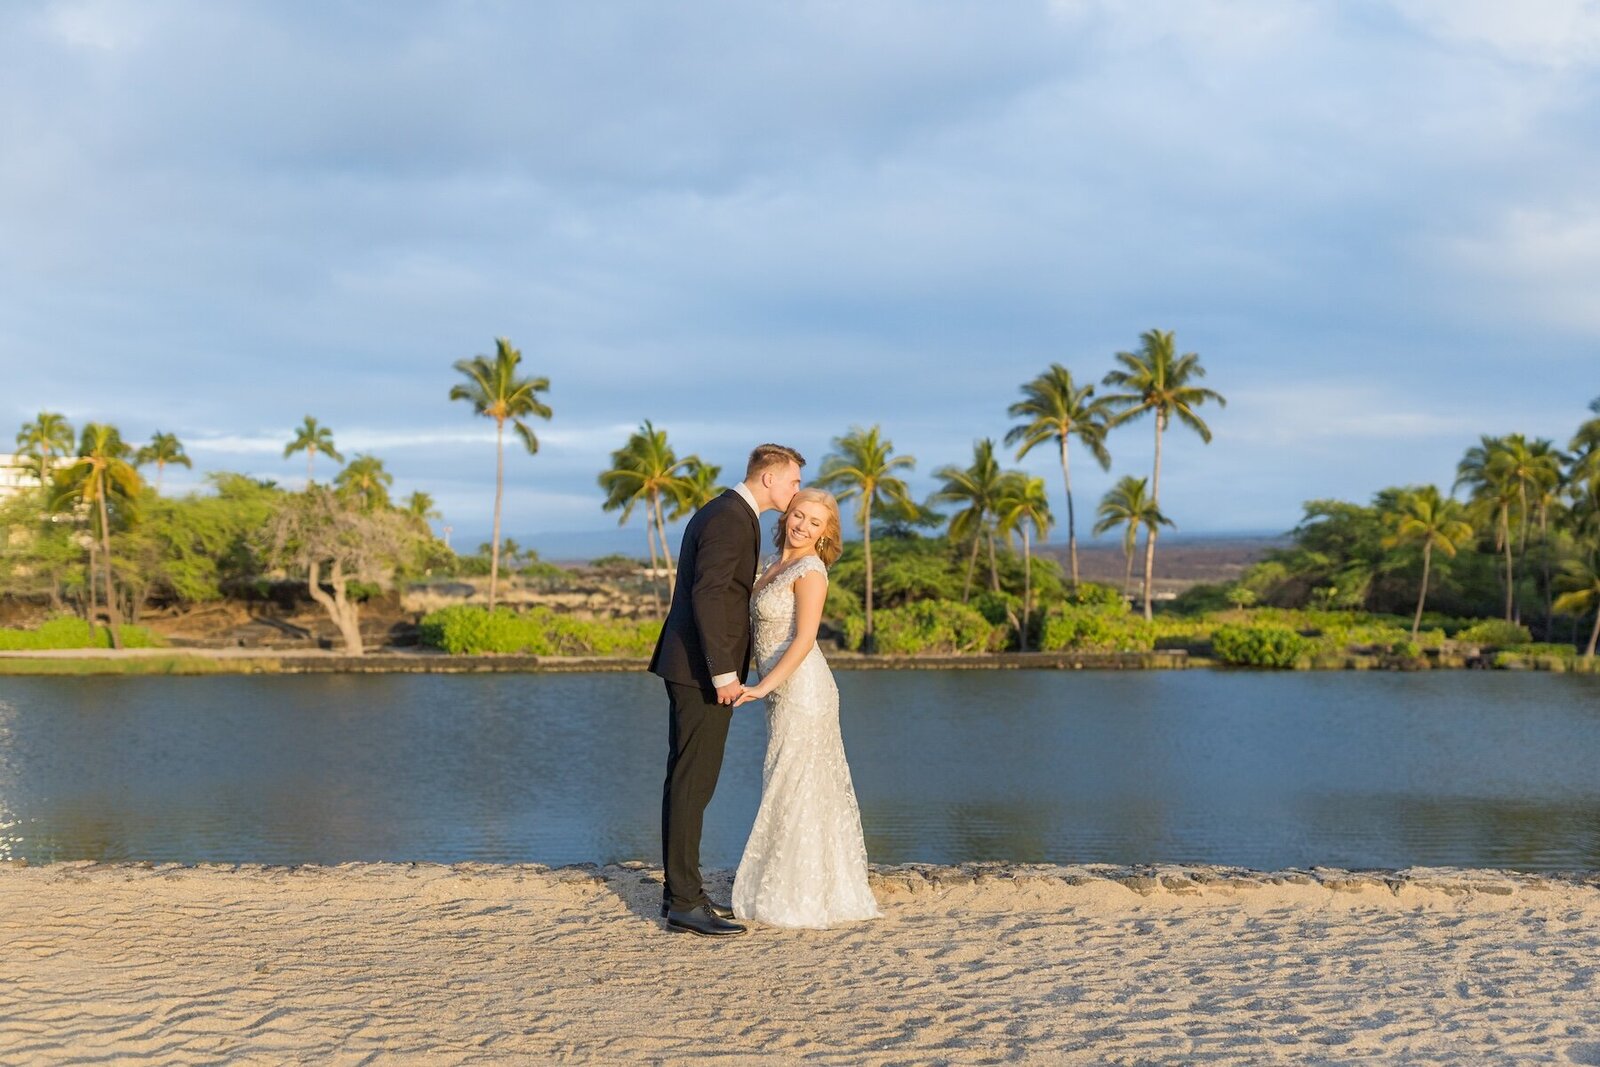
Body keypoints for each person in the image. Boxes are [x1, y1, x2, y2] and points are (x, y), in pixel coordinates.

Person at [648, 443, 804, 937]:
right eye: (793, 481)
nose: (796, 491)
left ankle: (684, 895)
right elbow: (711, 594)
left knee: (693, 779)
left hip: (696, 666)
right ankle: (683, 904)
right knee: (693, 781)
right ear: (769, 478)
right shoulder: (730, 518)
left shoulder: (731, 513)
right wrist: (723, 675)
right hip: (699, 671)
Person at [731, 488, 881, 929]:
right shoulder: (769, 565)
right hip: (781, 691)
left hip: (804, 689)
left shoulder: (811, 570)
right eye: (799, 516)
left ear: (824, 533)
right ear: (786, 516)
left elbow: (804, 640)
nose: (802, 525)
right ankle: (794, 884)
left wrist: (761, 686)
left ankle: (799, 894)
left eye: (815, 523)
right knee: (786, 777)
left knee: (794, 781)